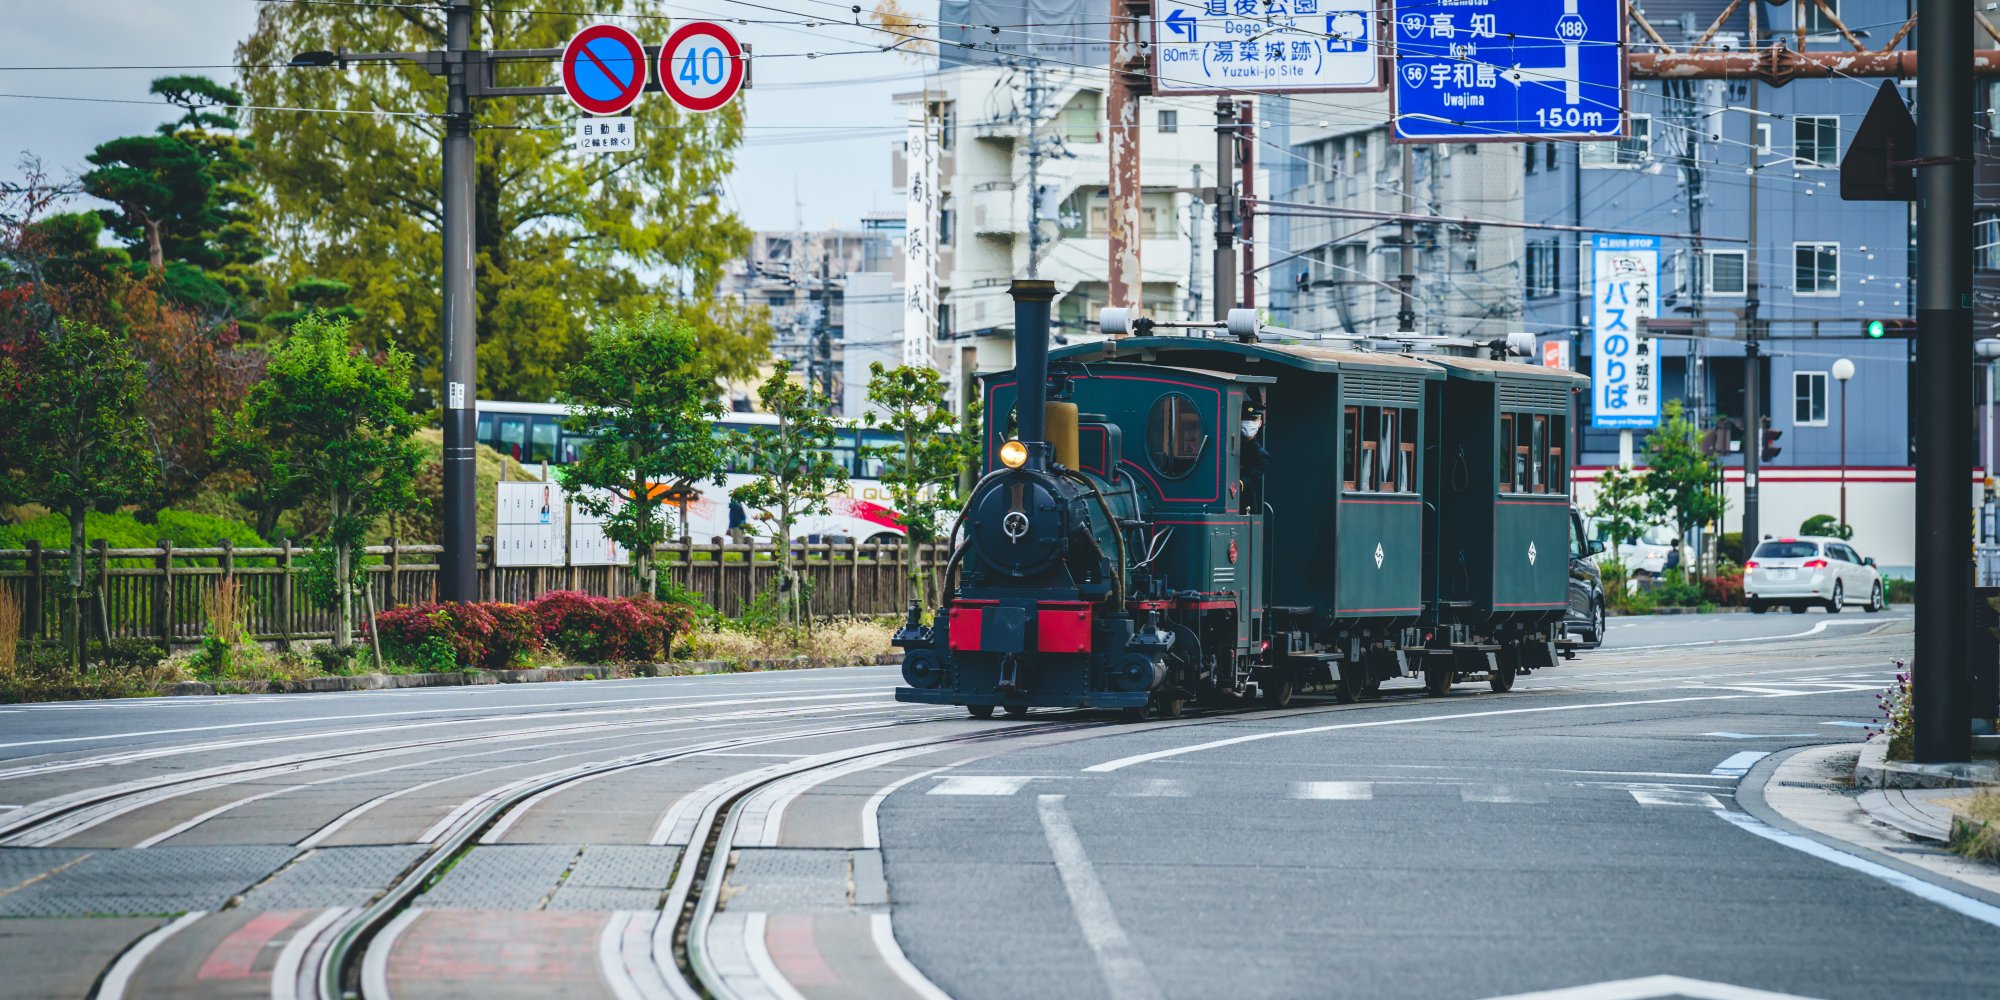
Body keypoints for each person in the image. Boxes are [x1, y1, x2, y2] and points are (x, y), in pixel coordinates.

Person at [1240, 400, 1269, 514]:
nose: (1249, 423)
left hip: (1245, 507)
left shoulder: (1261, 455)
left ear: (1260, 423)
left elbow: (1248, 479)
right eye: (1245, 419)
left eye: (1253, 419)